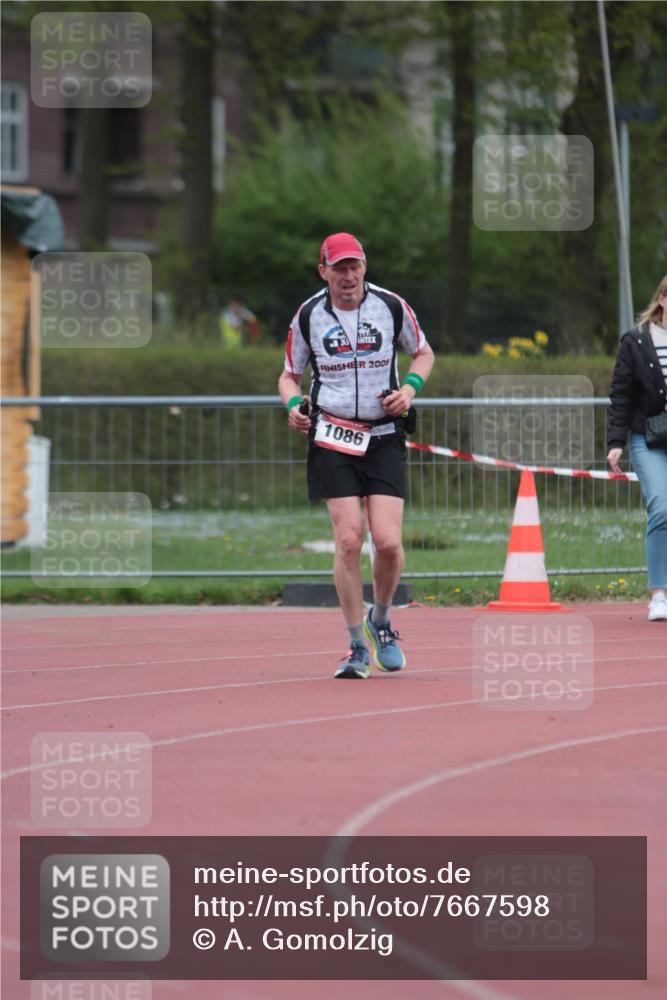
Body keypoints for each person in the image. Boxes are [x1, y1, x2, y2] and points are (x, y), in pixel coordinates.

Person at [278, 232, 435, 678]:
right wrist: (293, 406)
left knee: (387, 543)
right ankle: (354, 647)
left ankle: (379, 621)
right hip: (332, 436)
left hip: (384, 435)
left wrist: (409, 389)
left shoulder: (390, 306)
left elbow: (423, 353)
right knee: (348, 539)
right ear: (323, 272)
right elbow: (289, 375)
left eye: (355, 266)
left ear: (365, 266)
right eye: (339, 268)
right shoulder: (309, 315)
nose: (348, 276)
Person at [607, 275, 667, 621]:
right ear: (662, 298)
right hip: (648, 435)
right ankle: (659, 593)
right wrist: (616, 443)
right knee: (661, 506)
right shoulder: (635, 340)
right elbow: (622, 395)